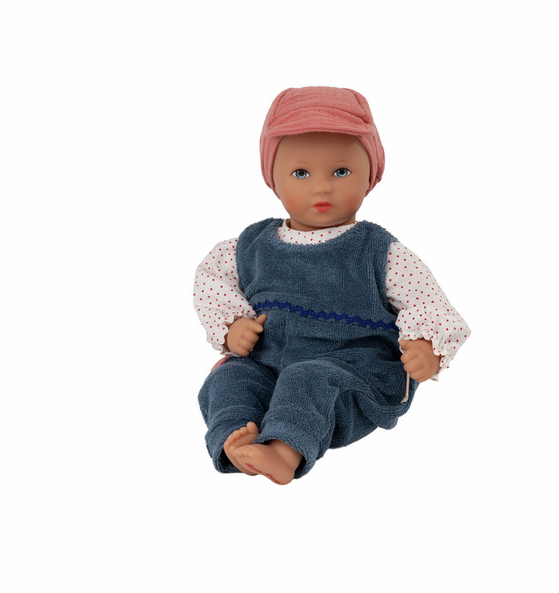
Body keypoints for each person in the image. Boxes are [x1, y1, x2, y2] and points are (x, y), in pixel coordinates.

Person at [194, 86, 470, 484]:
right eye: (301, 173)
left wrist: (427, 347)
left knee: (308, 377)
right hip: (267, 364)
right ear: (272, 179)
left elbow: (426, 301)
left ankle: (284, 451)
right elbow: (210, 280)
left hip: (351, 372)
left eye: (341, 172)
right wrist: (232, 324)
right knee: (229, 379)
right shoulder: (249, 245)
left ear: (371, 177)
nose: (321, 187)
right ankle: (237, 441)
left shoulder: (377, 250)